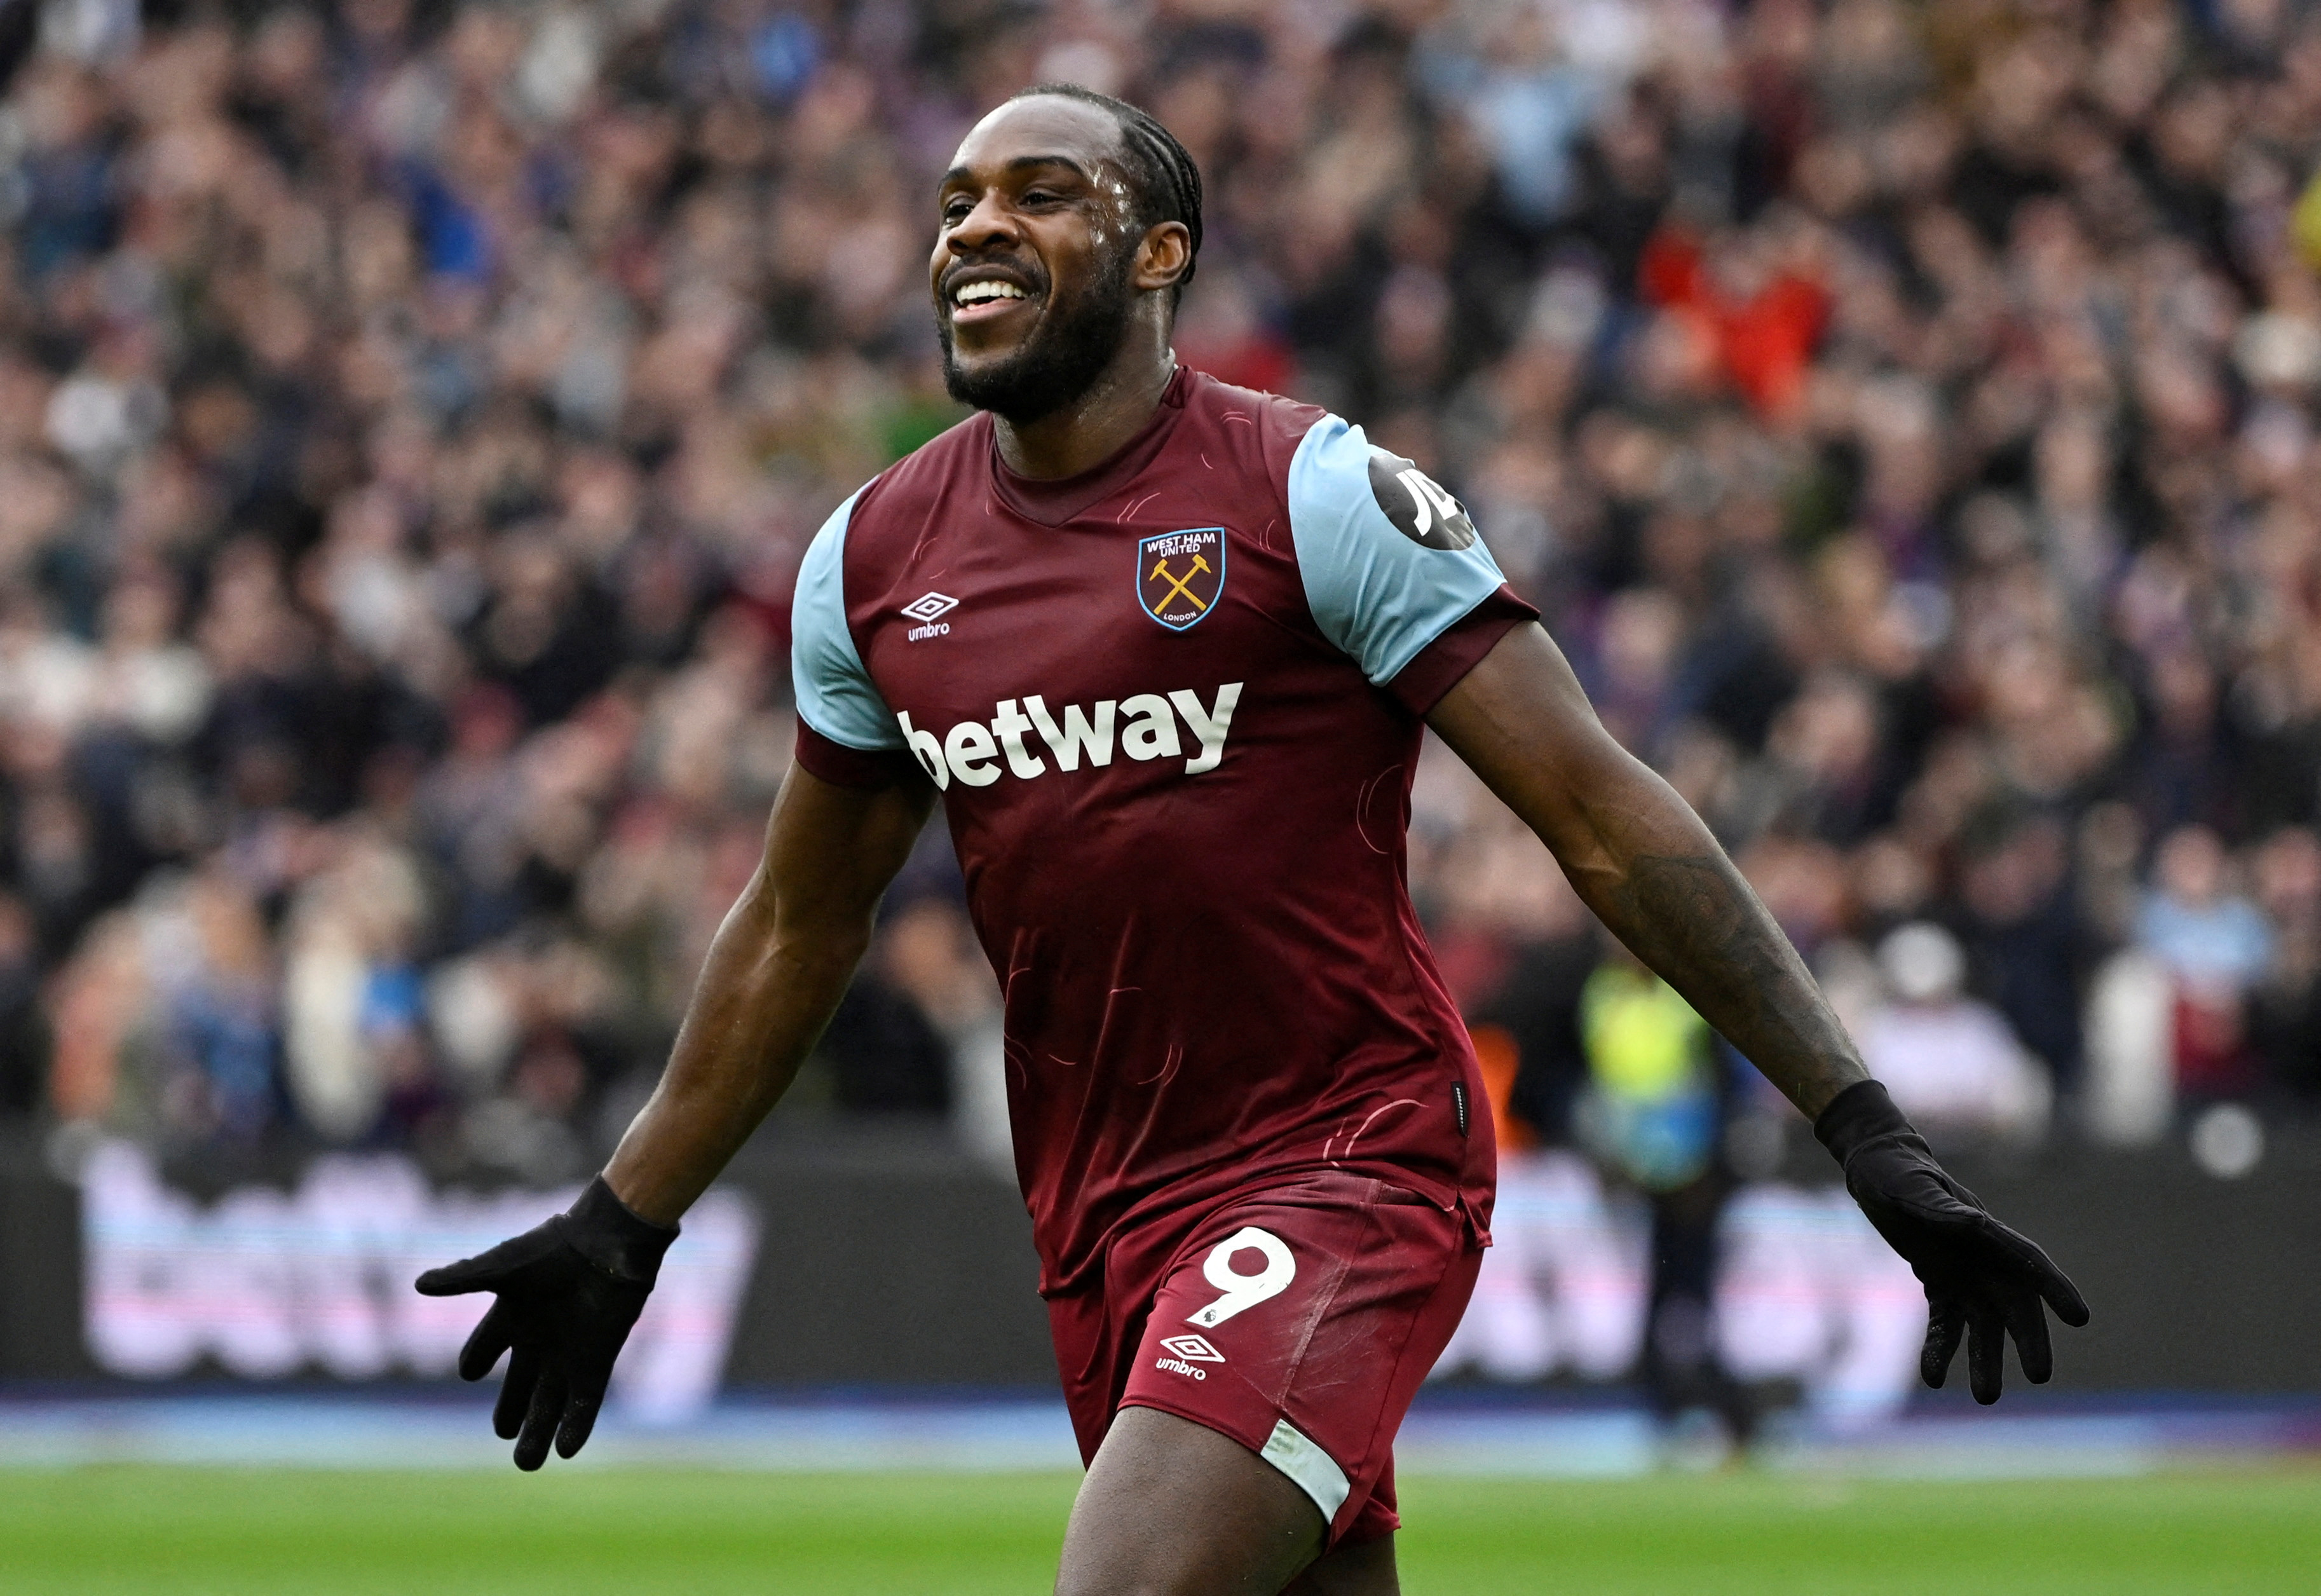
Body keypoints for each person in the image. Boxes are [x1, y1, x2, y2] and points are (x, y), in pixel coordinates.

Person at [416, 86, 2087, 1595]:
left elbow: (1599, 815)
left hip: (1349, 1158)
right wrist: (625, 1216)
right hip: (1103, 1214)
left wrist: (1861, 1125)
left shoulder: (1314, 497)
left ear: (1159, 253)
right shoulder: (869, 562)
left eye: (1039, 193)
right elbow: (796, 926)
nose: (974, 227)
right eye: (952, 201)